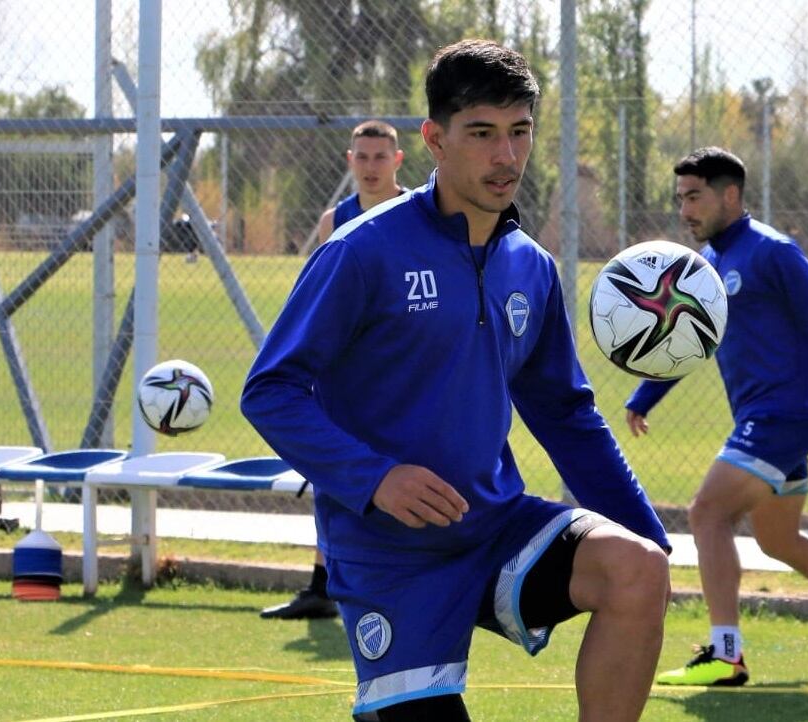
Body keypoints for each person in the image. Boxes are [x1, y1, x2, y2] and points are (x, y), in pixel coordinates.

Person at [241, 39, 671, 722]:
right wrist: (375, 478)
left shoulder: (530, 266)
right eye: (482, 134)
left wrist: (653, 540)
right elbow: (270, 389)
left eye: (520, 132)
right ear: (435, 139)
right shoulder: (361, 253)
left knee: (637, 570)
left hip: (496, 526)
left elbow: (565, 413)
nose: (506, 156)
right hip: (391, 556)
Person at [626, 147, 808, 685]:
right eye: (680, 198)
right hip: (767, 420)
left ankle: (725, 652)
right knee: (777, 540)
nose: (685, 210)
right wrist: (646, 395)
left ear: (729, 195)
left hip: (782, 418)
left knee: (708, 513)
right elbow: (694, 337)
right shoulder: (710, 264)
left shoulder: (772, 252)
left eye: (694, 197)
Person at [260, 119, 408, 621]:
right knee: (332, 474)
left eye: (379, 157)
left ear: (398, 161)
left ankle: (397, 582)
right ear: (350, 162)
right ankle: (323, 585)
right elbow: (318, 302)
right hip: (345, 371)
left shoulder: (417, 215)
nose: (370, 167)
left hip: (398, 369)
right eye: (361, 158)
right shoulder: (334, 221)